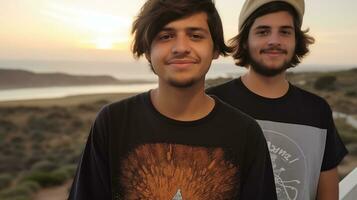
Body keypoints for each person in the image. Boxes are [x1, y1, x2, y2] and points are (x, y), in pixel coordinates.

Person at [68, 0, 277, 199]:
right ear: (147, 50)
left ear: (214, 49)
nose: (180, 48)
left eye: (195, 35)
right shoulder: (113, 122)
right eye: (166, 36)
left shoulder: (245, 133)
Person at [207, 0, 348, 199]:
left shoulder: (317, 111)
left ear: (296, 41)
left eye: (285, 32)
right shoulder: (214, 102)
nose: (274, 41)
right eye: (263, 32)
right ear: (245, 41)